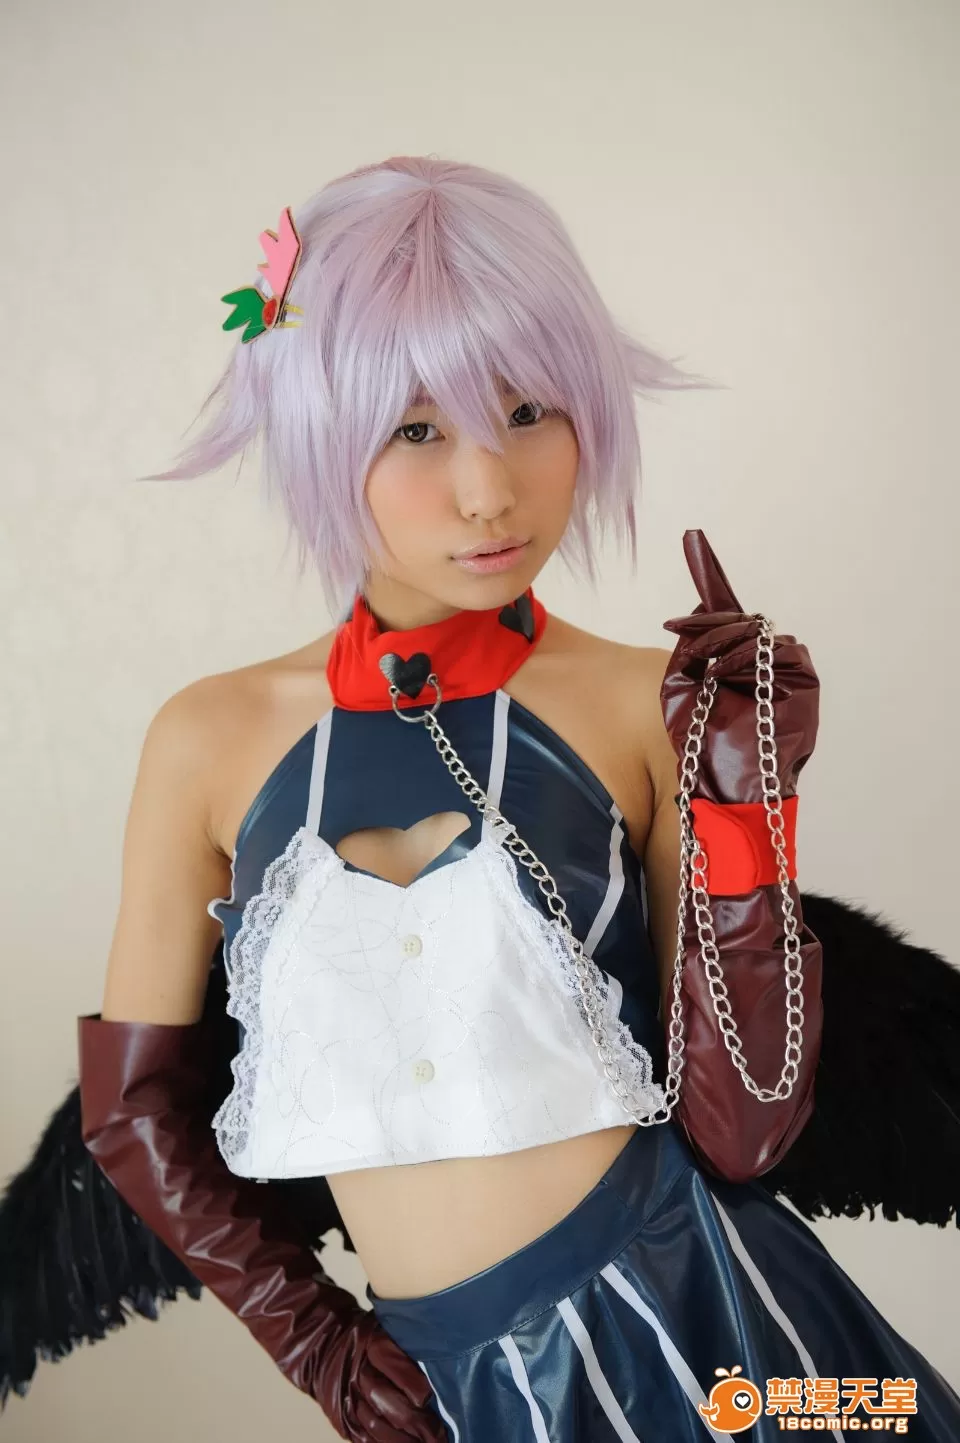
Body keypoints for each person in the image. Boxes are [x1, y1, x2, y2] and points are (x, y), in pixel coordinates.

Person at [6, 155, 960, 1441]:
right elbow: (132, 1111)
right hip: (452, 1389)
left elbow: (743, 1132)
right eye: (417, 429)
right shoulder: (208, 740)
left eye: (528, 411)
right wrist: (313, 1341)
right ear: (318, 429)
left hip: (737, 1351)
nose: (490, 489)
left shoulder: (644, 702)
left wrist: (746, 804)